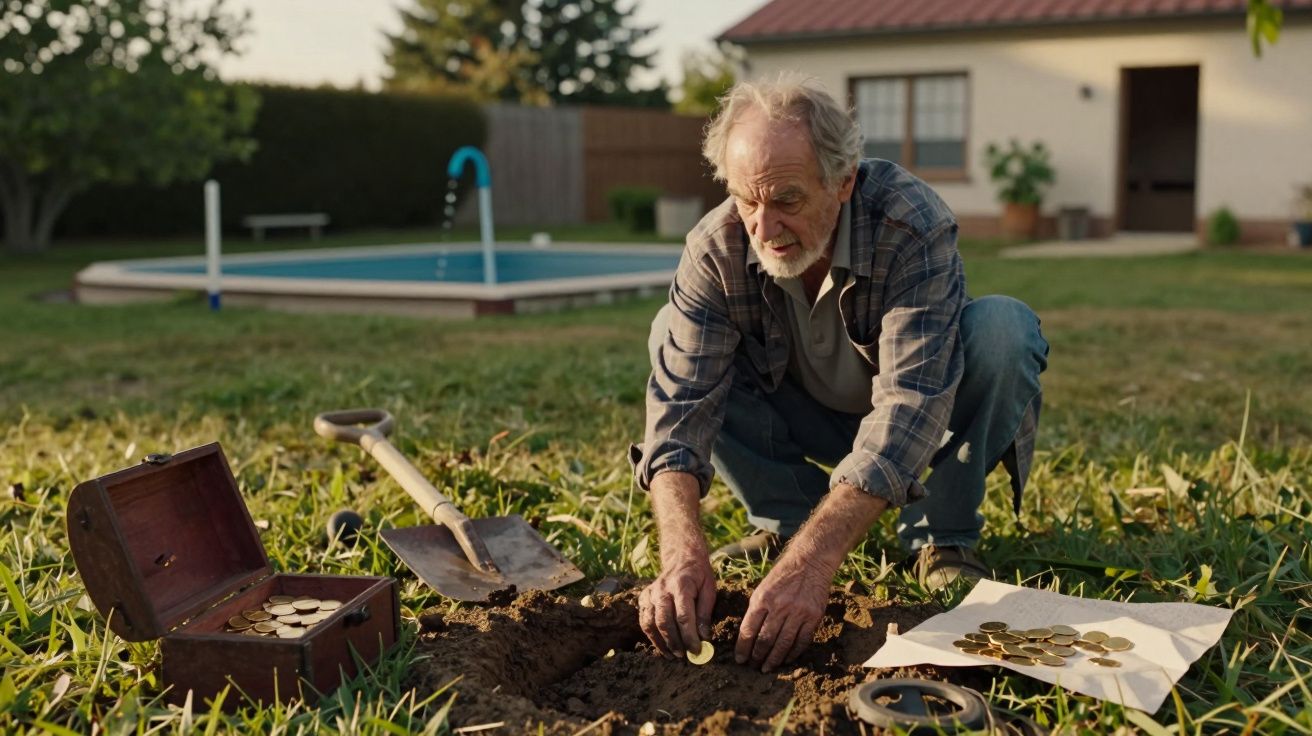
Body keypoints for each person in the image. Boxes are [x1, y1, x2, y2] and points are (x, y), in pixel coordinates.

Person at [628, 75, 1049, 674]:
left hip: (917, 418)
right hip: (802, 412)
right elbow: (680, 410)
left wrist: (813, 565)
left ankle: (942, 535)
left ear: (844, 180)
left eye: (788, 200)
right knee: (666, 331)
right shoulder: (716, 247)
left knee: (1006, 331)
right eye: (747, 200)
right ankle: (788, 521)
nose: (764, 228)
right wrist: (680, 553)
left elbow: (911, 400)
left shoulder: (910, 221)